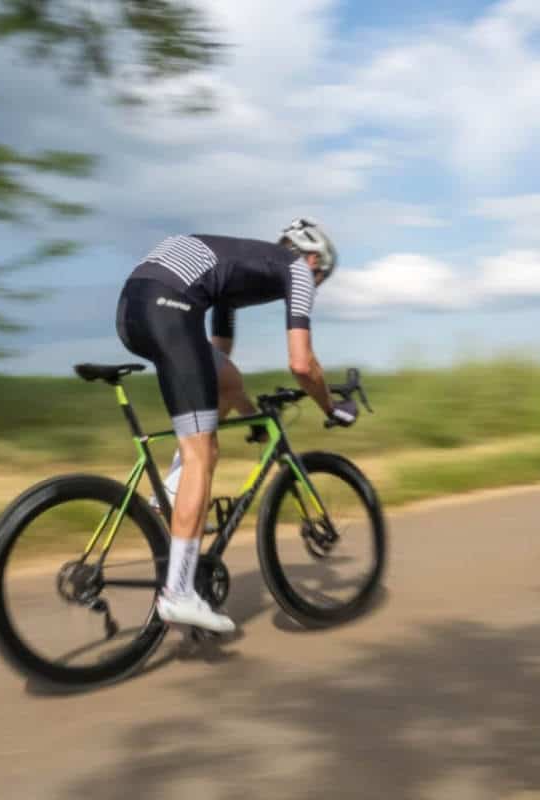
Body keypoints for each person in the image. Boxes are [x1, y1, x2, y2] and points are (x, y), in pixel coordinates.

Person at [115, 218, 359, 632]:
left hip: (134, 306)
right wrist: (331, 408)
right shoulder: (296, 268)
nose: (315, 286)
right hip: (168, 305)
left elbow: (218, 364)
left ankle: (170, 495)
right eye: (322, 277)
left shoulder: (237, 274)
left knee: (226, 382)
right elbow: (302, 364)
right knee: (202, 453)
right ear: (314, 258)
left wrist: (252, 415)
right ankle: (178, 594)